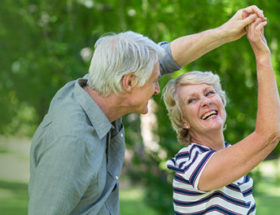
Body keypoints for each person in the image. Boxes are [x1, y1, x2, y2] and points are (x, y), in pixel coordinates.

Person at [28, 6, 266, 215]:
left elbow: (166, 58)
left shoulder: (102, 84)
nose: (156, 89)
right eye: (154, 80)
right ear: (129, 83)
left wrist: (224, 32)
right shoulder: (71, 142)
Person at [162, 17, 280, 214]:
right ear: (183, 121)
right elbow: (269, 134)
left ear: (221, 102)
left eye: (209, 93)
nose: (206, 101)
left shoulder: (233, 161)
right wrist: (262, 55)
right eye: (192, 100)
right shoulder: (189, 162)